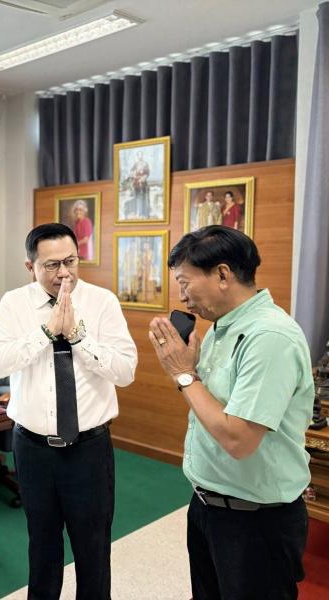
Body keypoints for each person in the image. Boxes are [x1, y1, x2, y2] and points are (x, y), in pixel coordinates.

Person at [148, 225, 313, 600]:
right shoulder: (223, 327)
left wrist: (184, 374)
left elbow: (238, 440)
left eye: (185, 283)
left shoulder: (269, 337)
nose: (182, 296)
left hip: (255, 520)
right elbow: (211, 406)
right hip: (208, 505)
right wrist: (189, 372)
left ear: (222, 274)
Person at [0, 223, 137, 600]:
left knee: (93, 547)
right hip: (33, 448)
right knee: (42, 544)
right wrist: (46, 332)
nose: (64, 273)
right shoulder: (14, 303)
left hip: (89, 448)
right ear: (30, 267)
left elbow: (125, 372)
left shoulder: (102, 302)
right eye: (52, 265)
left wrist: (78, 337)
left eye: (70, 261)